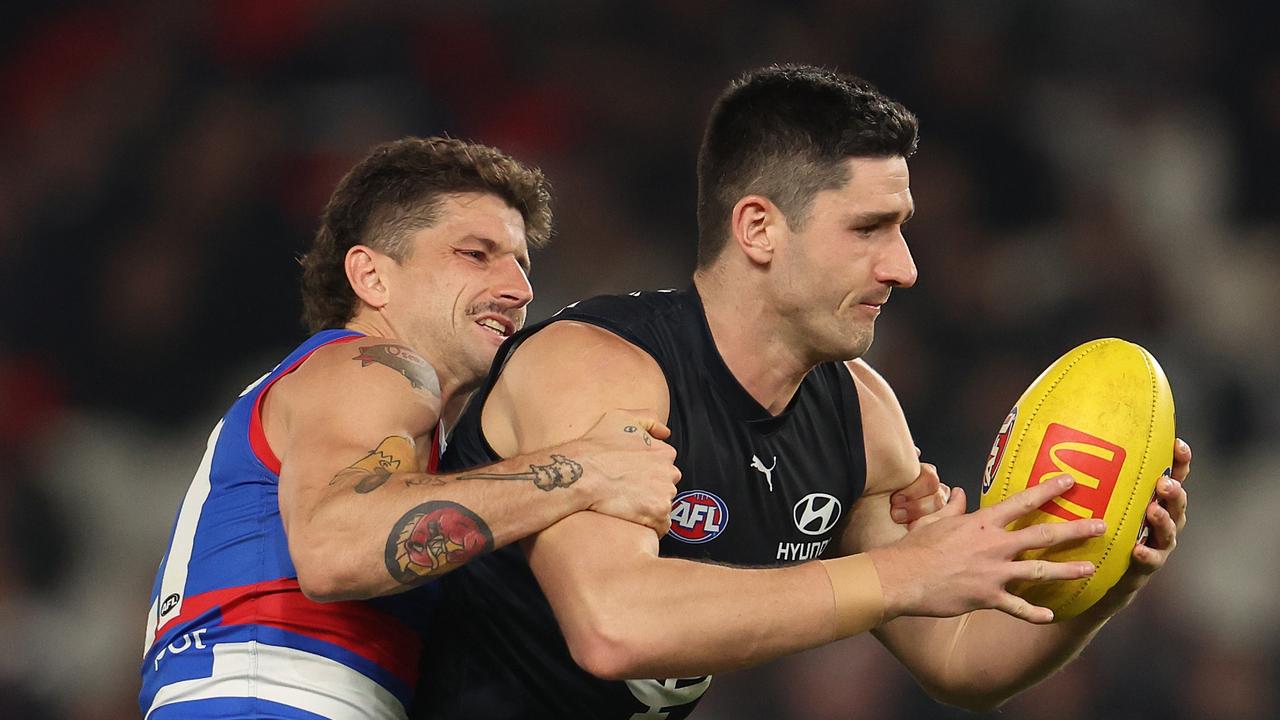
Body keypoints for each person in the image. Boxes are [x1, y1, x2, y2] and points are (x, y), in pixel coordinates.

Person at [413, 65, 1193, 719]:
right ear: (758, 229)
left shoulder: (859, 414)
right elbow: (614, 626)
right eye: (869, 229)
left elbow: (959, 660)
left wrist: (1102, 579)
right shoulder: (598, 368)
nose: (904, 267)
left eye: (904, 228)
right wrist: (901, 574)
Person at [138, 137, 692, 720]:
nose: (520, 289)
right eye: (476, 254)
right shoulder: (370, 367)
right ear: (372, 277)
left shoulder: (381, 416)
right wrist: (584, 470)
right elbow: (336, 546)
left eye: (523, 264)